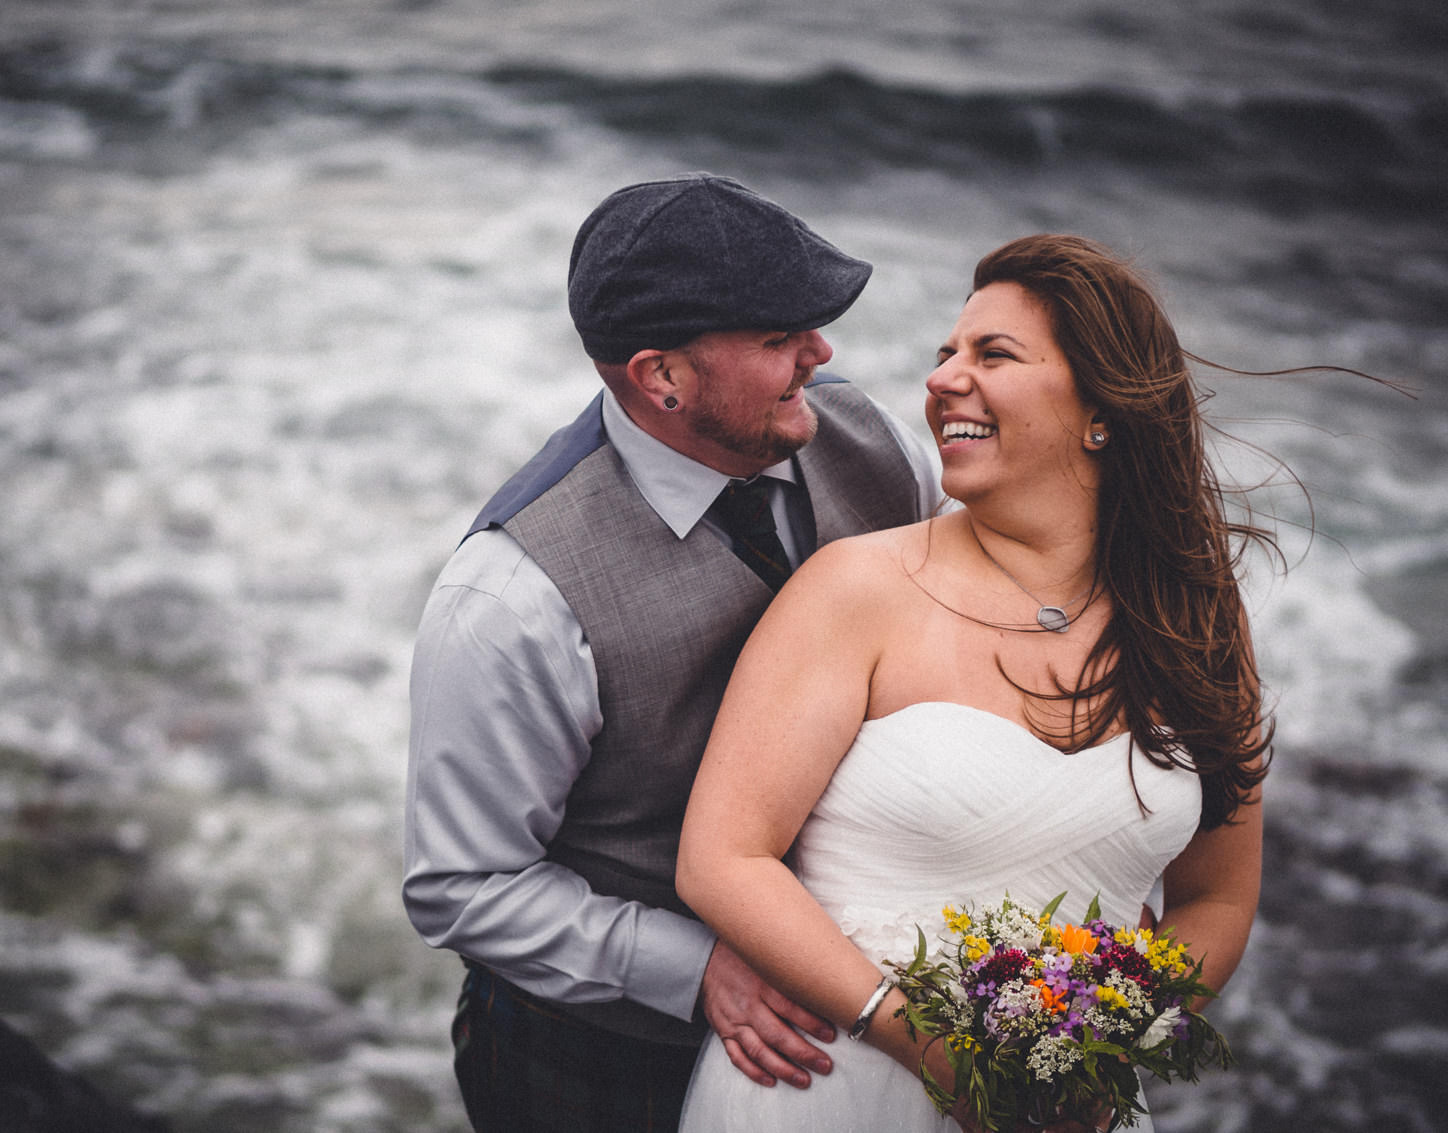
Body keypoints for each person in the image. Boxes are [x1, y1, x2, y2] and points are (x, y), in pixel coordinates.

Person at [675, 233, 1273, 1132]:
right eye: (945, 354)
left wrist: (1100, 1042)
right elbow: (722, 858)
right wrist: (926, 1042)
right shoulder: (855, 588)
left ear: (1100, 408)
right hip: (834, 1086)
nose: (946, 378)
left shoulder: (1193, 614)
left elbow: (1217, 897)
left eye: (992, 354)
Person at [402, 172, 944, 1132]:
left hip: (864, 1027)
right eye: (780, 339)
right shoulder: (512, 600)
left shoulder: (874, 443)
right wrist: (695, 969)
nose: (821, 355)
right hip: (597, 1068)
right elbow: (463, 885)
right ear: (662, 377)